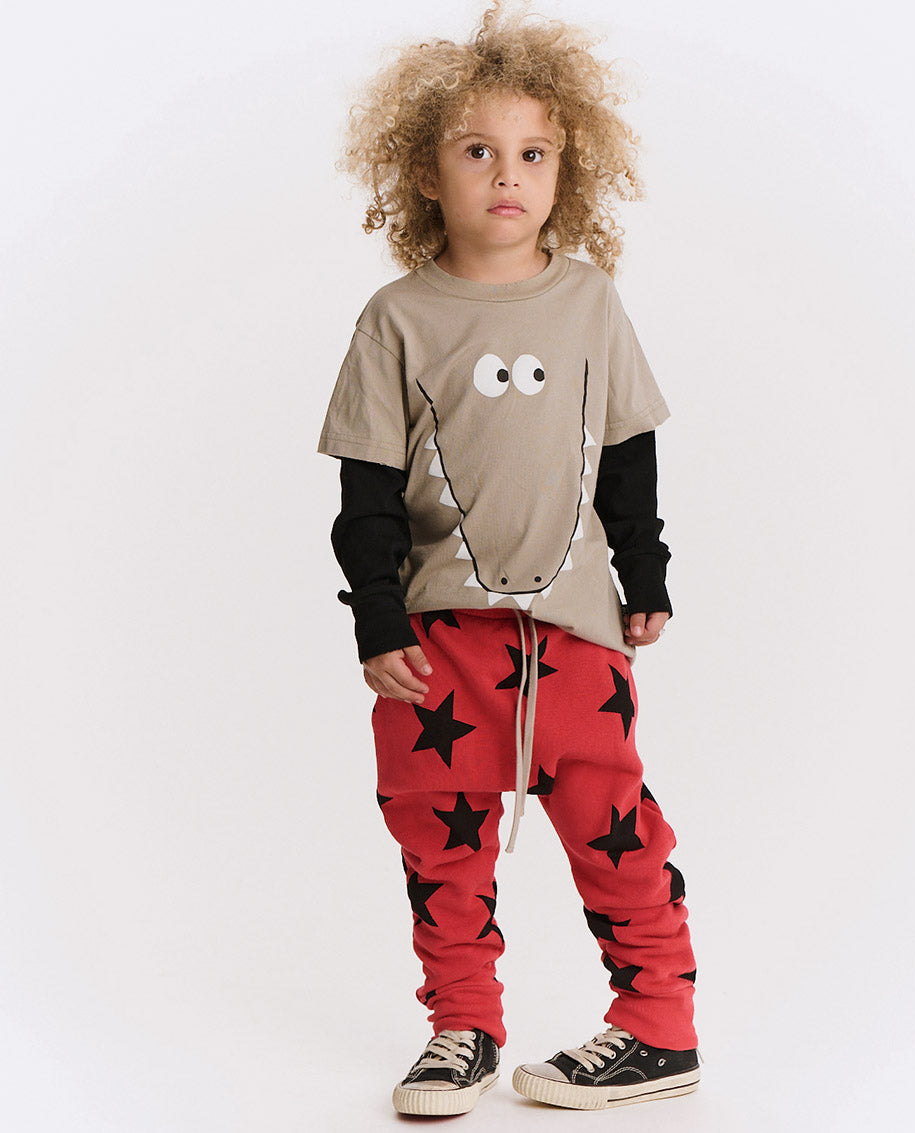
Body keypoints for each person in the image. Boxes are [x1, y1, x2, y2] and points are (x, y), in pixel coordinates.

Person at [318, 1, 699, 1115]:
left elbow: (625, 449)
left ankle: (658, 1026)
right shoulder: (396, 317)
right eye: (477, 151)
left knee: (615, 826)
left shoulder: (588, 301)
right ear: (423, 172)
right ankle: (462, 1027)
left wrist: (645, 573)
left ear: (565, 170)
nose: (507, 175)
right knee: (437, 837)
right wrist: (376, 616)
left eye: (533, 154)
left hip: (574, 631)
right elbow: (366, 488)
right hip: (436, 641)